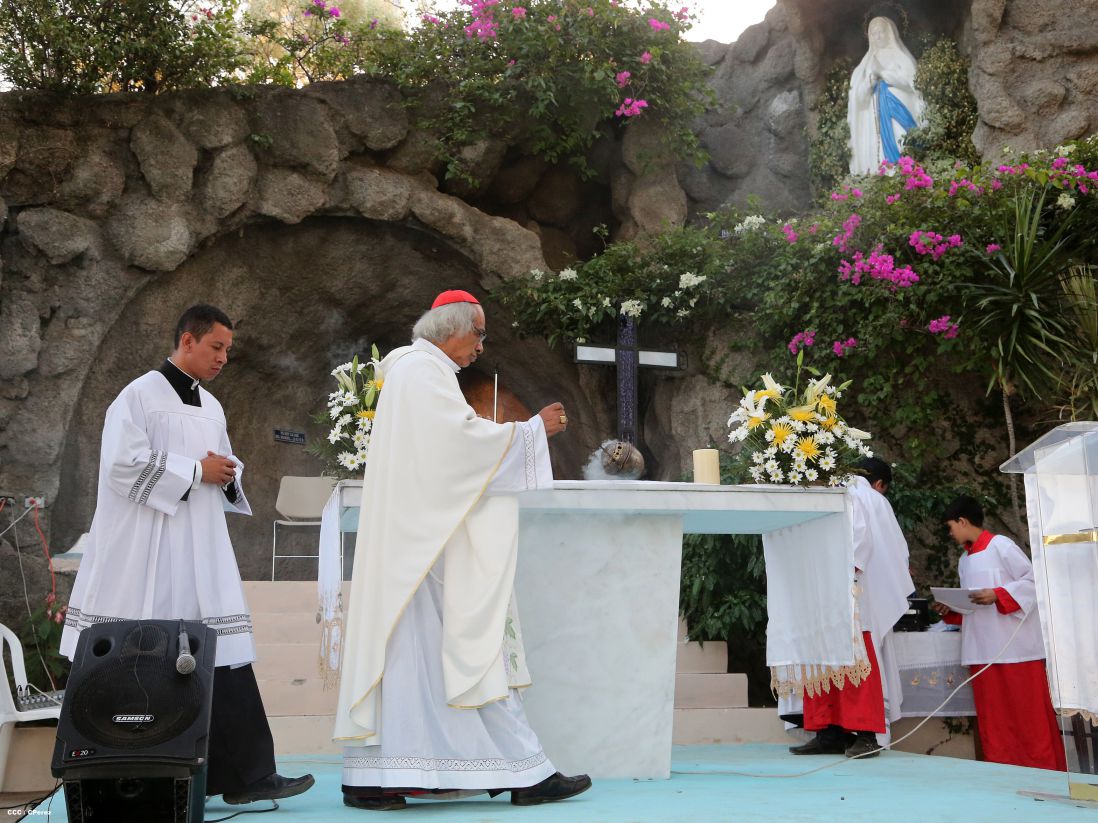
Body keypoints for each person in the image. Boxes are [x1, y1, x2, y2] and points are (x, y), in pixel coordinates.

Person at [333, 289, 592, 811]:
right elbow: (458, 448)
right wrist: (531, 431)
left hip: (417, 543)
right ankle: (526, 773)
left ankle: (377, 777)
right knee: (469, 650)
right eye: (478, 333)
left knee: (421, 661)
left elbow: (451, 449)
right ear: (451, 328)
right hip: (426, 550)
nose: (481, 345)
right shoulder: (421, 372)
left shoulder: (413, 371)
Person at [60, 304, 314, 805]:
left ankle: (248, 777)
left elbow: (221, 464)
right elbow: (121, 467)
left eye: (228, 350)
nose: (223, 358)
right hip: (148, 550)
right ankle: (126, 775)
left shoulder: (212, 406)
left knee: (224, 655)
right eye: (216, 347)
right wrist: (197, 472)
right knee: (139, 658)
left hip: (200, 544)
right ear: (187, 340)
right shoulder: (137, 396)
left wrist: (226, 472)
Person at [790, 457, 914, 758]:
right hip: (838, 587)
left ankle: (865, 734)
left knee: (854, 661)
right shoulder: (861, 494)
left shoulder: (855, 494)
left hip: (850, 589)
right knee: (828, 657)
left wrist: (841, 573)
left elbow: (860, 539)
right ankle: (830, 732)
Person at [933, 496, 1066, 771]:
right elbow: (971, 605)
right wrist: (951, 607)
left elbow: (1034, 582)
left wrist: (998, 594)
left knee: (1029, 717)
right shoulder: (964, 561)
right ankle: (1001, 770)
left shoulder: (1001, 546)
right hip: (982, 650)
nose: (950, 533)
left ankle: (1043, 770)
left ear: (962, 521)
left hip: (1016, 649)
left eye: (950, 527)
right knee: (994, 720)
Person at [848, 16, 926, 174]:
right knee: (879, 149)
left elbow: (912, 84)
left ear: (889, 33)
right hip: (875, 115)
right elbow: (858, 96)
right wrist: (869, 82)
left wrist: (883, 73)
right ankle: (884, 175)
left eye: (881, 32)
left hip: (899, 108)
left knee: (901, 138)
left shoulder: (899, 56)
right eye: (874, 33)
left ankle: (907, 173)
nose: (878, 36)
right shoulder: (867, 62)